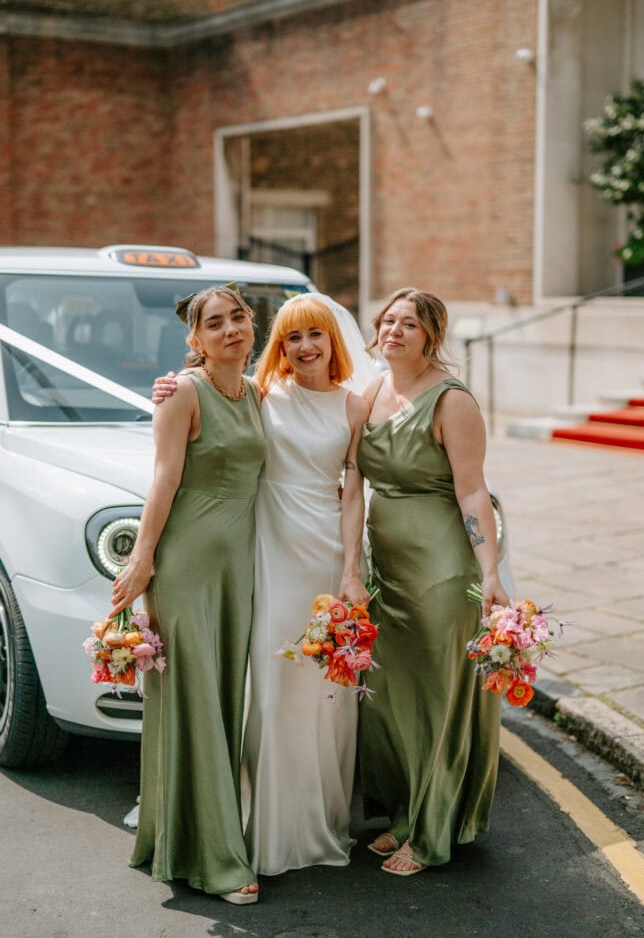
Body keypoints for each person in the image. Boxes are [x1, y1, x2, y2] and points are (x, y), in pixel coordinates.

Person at [151, 293, 376, 877]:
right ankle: (266, 828)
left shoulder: (354, 406)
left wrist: (352, 570)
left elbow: (353, 491)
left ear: (333, 340)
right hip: (268, 549)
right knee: (271, 686)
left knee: (324, 694)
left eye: (315, 335)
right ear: (279, 344)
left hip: (325, 551)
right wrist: (167, 385)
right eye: (293, 336)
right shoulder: (260, 393)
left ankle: (319, 821)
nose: (305, 346)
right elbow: (206, 401)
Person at [111, 285, 264, 904]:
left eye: (238, 317)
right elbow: (164, 478)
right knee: (194, 697)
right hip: (188, 563)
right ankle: (217, 859)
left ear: (252, 325)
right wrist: (142, 560)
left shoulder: (255, 392)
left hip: (239, 564)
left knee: (224, 696)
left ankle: (183, 834)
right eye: (215, 323)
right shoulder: (182, 393)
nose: (231, 329)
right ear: (195, 339)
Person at [348, 287, 509, 876]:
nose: (394, 331)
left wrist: (489, 574)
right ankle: (404, 813)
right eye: (388, 321)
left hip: (441, 571)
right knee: (391, 699)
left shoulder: (453, 401)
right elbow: (348, 475)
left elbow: (473, 492)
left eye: (409, 324)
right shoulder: (372, 392)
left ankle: (432, 830)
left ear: (431, 336)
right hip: (387, 571)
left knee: (438, 698)